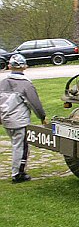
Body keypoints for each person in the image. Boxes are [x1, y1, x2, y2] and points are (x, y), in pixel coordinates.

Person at [0, 54, 47, 183]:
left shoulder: (3, 83)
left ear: (9, 66)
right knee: (21, 147)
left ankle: (17, 171)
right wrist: (42, 117)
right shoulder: (26, 85)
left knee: (15, 144)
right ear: (25, 66)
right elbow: (35, 104)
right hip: (19, 121)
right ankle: (18, 174)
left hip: (6, 120)